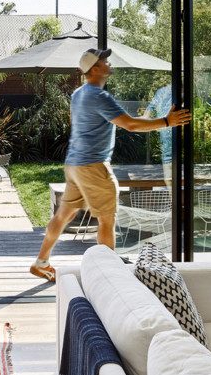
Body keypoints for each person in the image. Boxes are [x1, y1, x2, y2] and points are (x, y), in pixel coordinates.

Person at [30, 48, 191, 281]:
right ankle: (110, 278)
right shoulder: (99, 96)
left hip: (75, 164)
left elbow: (122, 121)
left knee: (64, 215)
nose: (108, 62)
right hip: (93, 166)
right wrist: (168, 121)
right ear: (95, 69)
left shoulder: (79, 94)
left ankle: (41, 261)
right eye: (104, 60)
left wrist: (147, 117)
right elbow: (131, 126)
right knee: (107, 218)